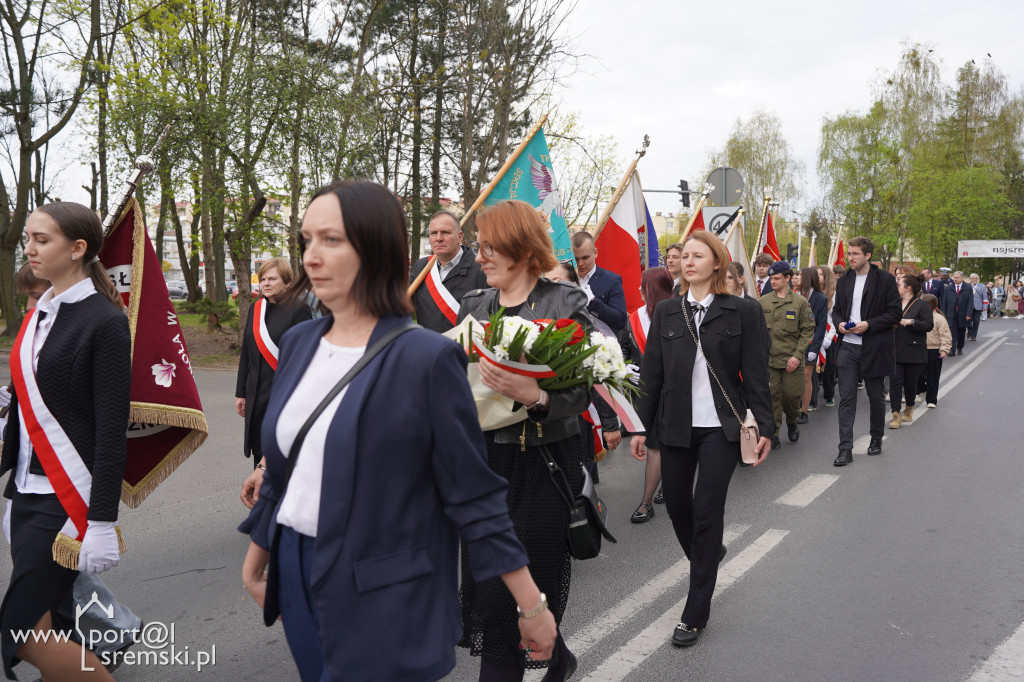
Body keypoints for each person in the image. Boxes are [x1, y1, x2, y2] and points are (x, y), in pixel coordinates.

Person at [238, 183, 556, 682]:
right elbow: (290, 468)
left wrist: (531, 605)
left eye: (331, 240)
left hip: (383, 587)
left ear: (375, 248)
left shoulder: (424, 359)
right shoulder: (299, 342)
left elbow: (471, 493)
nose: (311, 257)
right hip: (296, 570)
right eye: (306, 240)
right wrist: (256, 559)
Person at [459, 200, 590, 681]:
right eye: (479, 247)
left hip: (544, 466)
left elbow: (582, 390)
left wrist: (533, 395)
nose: (480, 257)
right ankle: (556, 657)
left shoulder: (566, 303)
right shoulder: (473, 307)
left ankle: (552, 655)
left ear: (519, 246)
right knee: (493, 603)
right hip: (486, 468)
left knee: (533, 598)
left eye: (488, 246)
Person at [1, 202, 130, 680]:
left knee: (18, 631)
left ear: (78, 249)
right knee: (48, 621)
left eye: (42, 240)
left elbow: (110, 429)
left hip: (66, 500)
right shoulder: (39, 317)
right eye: (29, 237)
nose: (29, 249)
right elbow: (24, 411)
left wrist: (101, 520)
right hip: (26, 494)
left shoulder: (105, 321)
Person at [632, 231, 772, 648]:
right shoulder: (667, 313)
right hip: (674, 426)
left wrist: (763, 426)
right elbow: (651, 375)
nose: (687, 261)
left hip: (722, 428)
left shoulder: (743, 311)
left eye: (697, 255)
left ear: (717, 263)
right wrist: (640, 426)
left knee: (707, 511)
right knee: (677, 509)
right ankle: (708, 555)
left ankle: (694, 614)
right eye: (684, 255)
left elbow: (757, 374)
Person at [544, 262, 620, 485]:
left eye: (559, 282)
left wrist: (610, 425)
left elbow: (597, 376)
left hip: (581, 418)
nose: (552, 287)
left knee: (582, 488)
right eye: (547, 282)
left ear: (575, 286)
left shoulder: (584, 324)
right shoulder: (533, 316)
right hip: (547, 420)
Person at [235, 258, 312, 470]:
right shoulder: (255, 309)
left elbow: (305, 359)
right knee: (259, 454)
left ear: (288, 282)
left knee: (282, 457)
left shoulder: (299, 310)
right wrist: (241, 393)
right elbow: (247, 354)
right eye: (263, 279)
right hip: (256, 397)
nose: (266, 283)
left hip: (283, 396)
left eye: (272, 279)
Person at [831, 236, 901, 466]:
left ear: (867, 255)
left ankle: (876, 438)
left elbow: (894, 314)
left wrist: (868, 324)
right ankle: (845, 449)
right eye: (848, 253)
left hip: (874, 347)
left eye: (854, 254)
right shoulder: (844, 281)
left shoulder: (885, 280)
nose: (849, 257)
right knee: (847, 398)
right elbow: (838, 311)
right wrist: (840, 323)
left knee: (875, 396)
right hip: (848, 347)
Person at [619, 267, 674, 524]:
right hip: (646, 391)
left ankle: (666, 486)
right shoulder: (634, 318)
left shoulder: (679, 313)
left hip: (675, 391)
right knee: (654, 444)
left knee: (670, 444)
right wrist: (625, 367)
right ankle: (646, 502)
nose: (639, 290)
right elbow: (624, 348)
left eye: (643, 286)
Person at [760, 261, 814, 449]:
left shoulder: (800, 302)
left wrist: (798, 355)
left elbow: (807, 331)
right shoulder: (764, 301)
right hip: (770, 360)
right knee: (772, 398)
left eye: (776, 278)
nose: (772, 282)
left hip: (792, 360)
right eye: (771, 278)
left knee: (791, 397)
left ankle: (792, 420)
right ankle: (773, 433)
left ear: (788, 278)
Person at [409, 210, 487, 333]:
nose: (438, 238)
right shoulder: (422, 267)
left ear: (460, 236)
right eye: (433, 233)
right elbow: (404, 306)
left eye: (445, 232)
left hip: (464, 350)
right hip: (427, 348)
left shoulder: (483, 269)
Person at [889, 274, 933, 428]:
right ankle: (895, 415)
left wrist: (912, 322)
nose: (896, 287)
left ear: (908, 288)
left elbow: (928, 325)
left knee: (910, 383)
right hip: (894, 348)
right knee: (895, 383)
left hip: (913, 350)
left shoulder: (922, 305)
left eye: (899, 285)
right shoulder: (893, 303)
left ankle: (909, 408)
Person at [571, 231, 627, 334]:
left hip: (601, 346)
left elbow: (620, 321)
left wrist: (592, 301)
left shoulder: (612, 280)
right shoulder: (567, 279)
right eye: (576, 259)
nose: (580, 264)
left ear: (595, 252)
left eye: (585, 258)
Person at [795, 267, 828, 424]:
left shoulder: (820, 298)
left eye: (801, 275)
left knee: (806, 377)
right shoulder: (795, 295)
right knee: (793, 378)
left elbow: (821, 326)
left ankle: (804, 410)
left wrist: (815, 349)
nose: (798, 277)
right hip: (794, 343)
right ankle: (793, 408)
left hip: (810, 343)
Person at [917, 294, 951, 408]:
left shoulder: (939, 319)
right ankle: (921, 390)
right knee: (919, 374)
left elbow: (945, 335)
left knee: (933, 375)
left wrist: (944, 350)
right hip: (919, 348)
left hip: (934, 350)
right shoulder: (918, 316)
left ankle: (931, 400)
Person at [816, 265, 839, 408]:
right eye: (816, 274)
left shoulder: (835, 293)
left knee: (828, 367)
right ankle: (812, 397)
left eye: (820, 274)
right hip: (815, 333)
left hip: (830, 334)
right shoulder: (813, 292)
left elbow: (837, 317)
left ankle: (829, 394)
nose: (818, 277)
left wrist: (829, 337)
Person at [940, 271, 973, 356]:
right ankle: (952, 349)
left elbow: (970, 302)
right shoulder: (948, 288)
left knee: (961, 332)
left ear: (962, 278)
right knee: (952, 332)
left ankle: (960, 347)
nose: (955, 279)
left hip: (963, 313)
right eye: (954, 277)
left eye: (957, 277)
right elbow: (944, 302)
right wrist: (943, 314)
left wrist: (968, 314)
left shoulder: (968, 288)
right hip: (951, 313)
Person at [968, 273, 986, 340]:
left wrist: (985, 306)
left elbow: (985, 297)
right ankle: (970, 331)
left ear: (977, 279)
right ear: (970, 279)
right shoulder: (967, 286)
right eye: (972, 278)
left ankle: (973, 336)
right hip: (968, 307)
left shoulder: (982, 286)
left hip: (978, 306)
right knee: (968, 322)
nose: (974, 279)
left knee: (976, 322)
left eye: (975, 278)